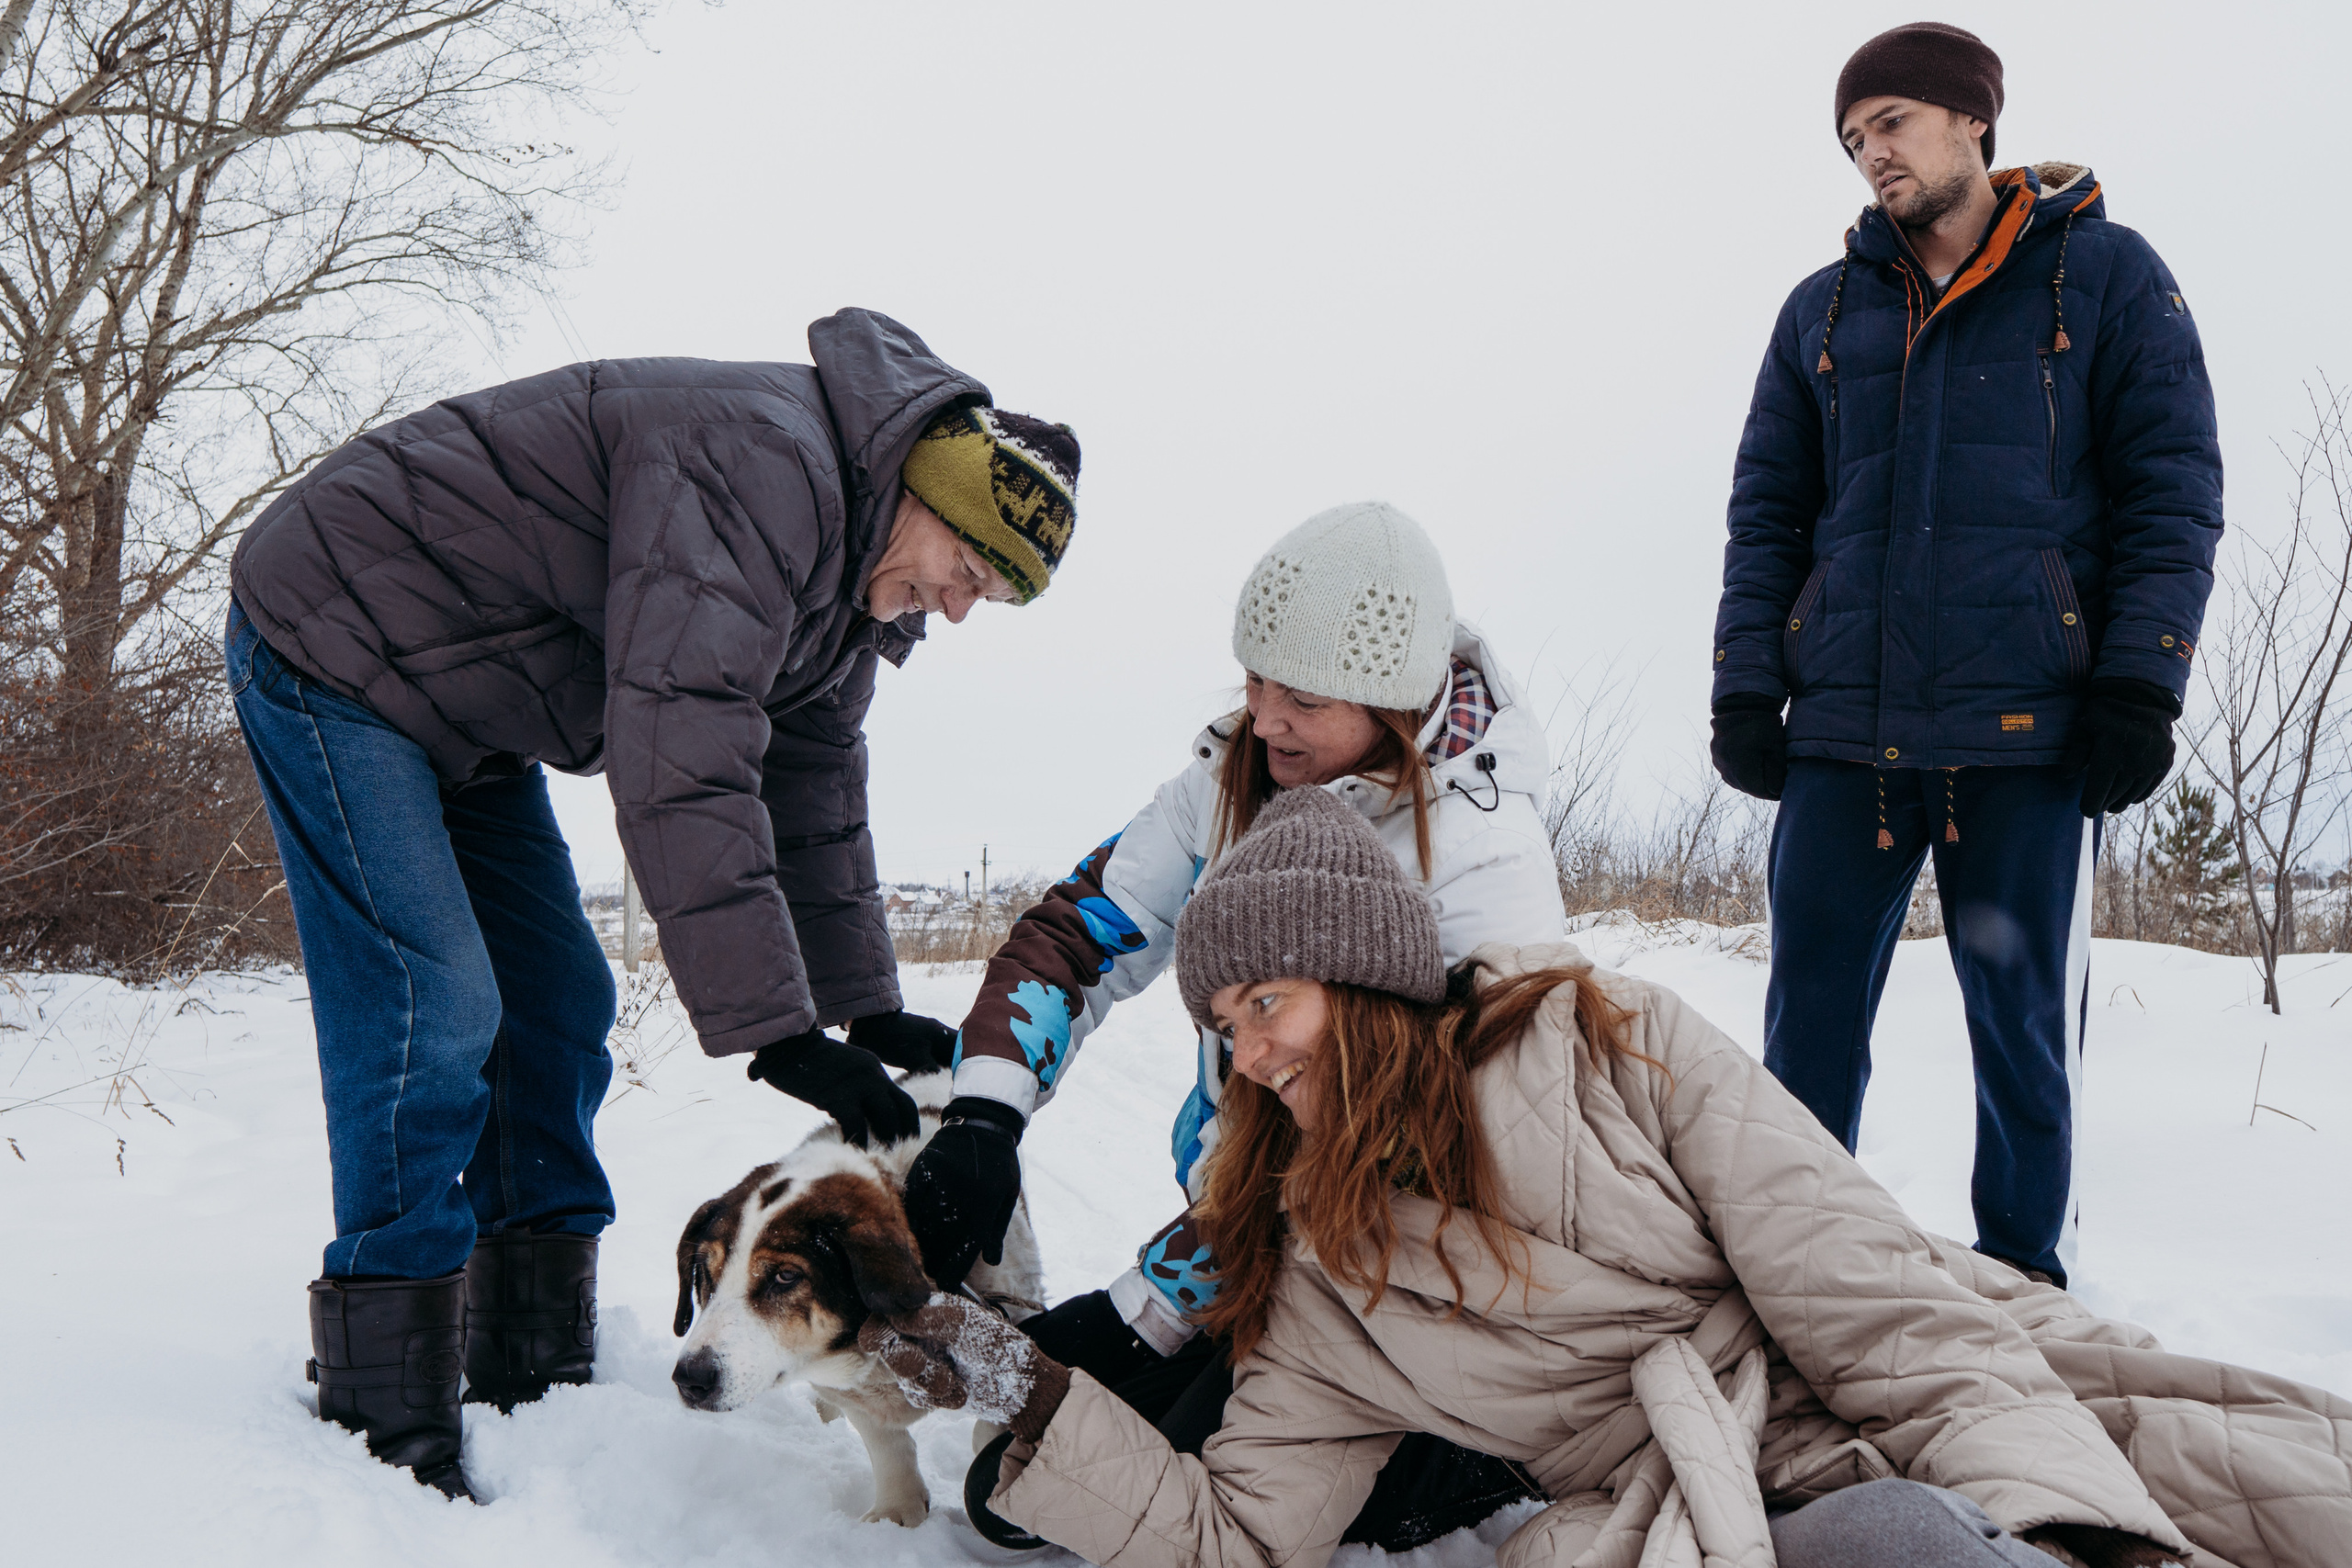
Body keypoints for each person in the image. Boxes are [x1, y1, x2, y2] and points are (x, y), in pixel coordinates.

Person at [862, 786, 2348, 1568]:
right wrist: (1024, 1390)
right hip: (1680, 1504)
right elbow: (1241, 1536)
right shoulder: (1324, 1272)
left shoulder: (1608, 1045)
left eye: (1270, 1006)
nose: (1245, 1058)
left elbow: (1885, 1313)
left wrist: (2068, 1520)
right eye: (1223, 1025)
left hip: (1895, 1383)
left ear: (1369, 979)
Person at [225, 309, 1079, 1496]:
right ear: (928, 498)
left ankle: (529, 1356)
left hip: (472, 709)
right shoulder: (763, 469)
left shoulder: (849, 581)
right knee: (436, 1002)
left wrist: (866, 1010)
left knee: (562, 999)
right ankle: (387, 1411)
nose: (958, 607)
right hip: (335, 641)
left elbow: (813, 786)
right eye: (971, 571)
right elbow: (684, 754)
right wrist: (779, 1030)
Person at [898, 501, 1566, 1547]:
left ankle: (1474, 1444)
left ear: (1390, 703)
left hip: (1403, 1279)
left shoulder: (1483, 863)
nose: (1262, 719)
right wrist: (984, 1116)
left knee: (1140, 1488)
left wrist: (1153, 1301)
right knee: (1010, 1497)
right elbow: (1083, 932)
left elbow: (1439, 1150)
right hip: (1241, 1239)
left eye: (1298, 697)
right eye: (1251, 680)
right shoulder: (1232, 777)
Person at [1706, 22, 2222, 1284]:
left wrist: (2141, 679)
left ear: (1972, 122)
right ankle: (1800, 1285)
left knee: (2023, 1042)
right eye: (1850, 137)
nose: (1868, 154)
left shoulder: (2103, 279)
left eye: (1889, 123)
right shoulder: (1820, 312)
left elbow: (2174, 488)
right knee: (1807, 1040)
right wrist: (1745, 683)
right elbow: (1768, 510)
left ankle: (2021, 1288)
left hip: (2025, 738)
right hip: (1846, 738)